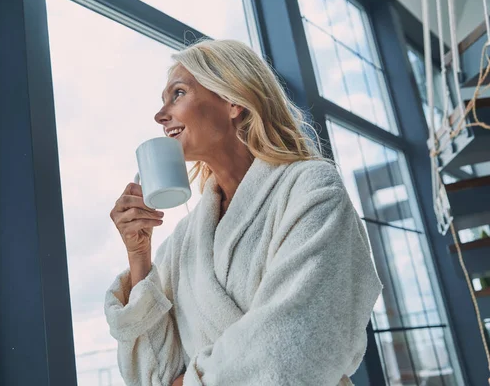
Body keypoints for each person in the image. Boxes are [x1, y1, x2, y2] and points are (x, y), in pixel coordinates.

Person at [105, 39, 382, 386]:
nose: (160, 116)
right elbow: (151, 373)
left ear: (234, 99)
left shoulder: (311, 189)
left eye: (177, 93)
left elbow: (294, 345)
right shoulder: (184, 241)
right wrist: (138, 254)